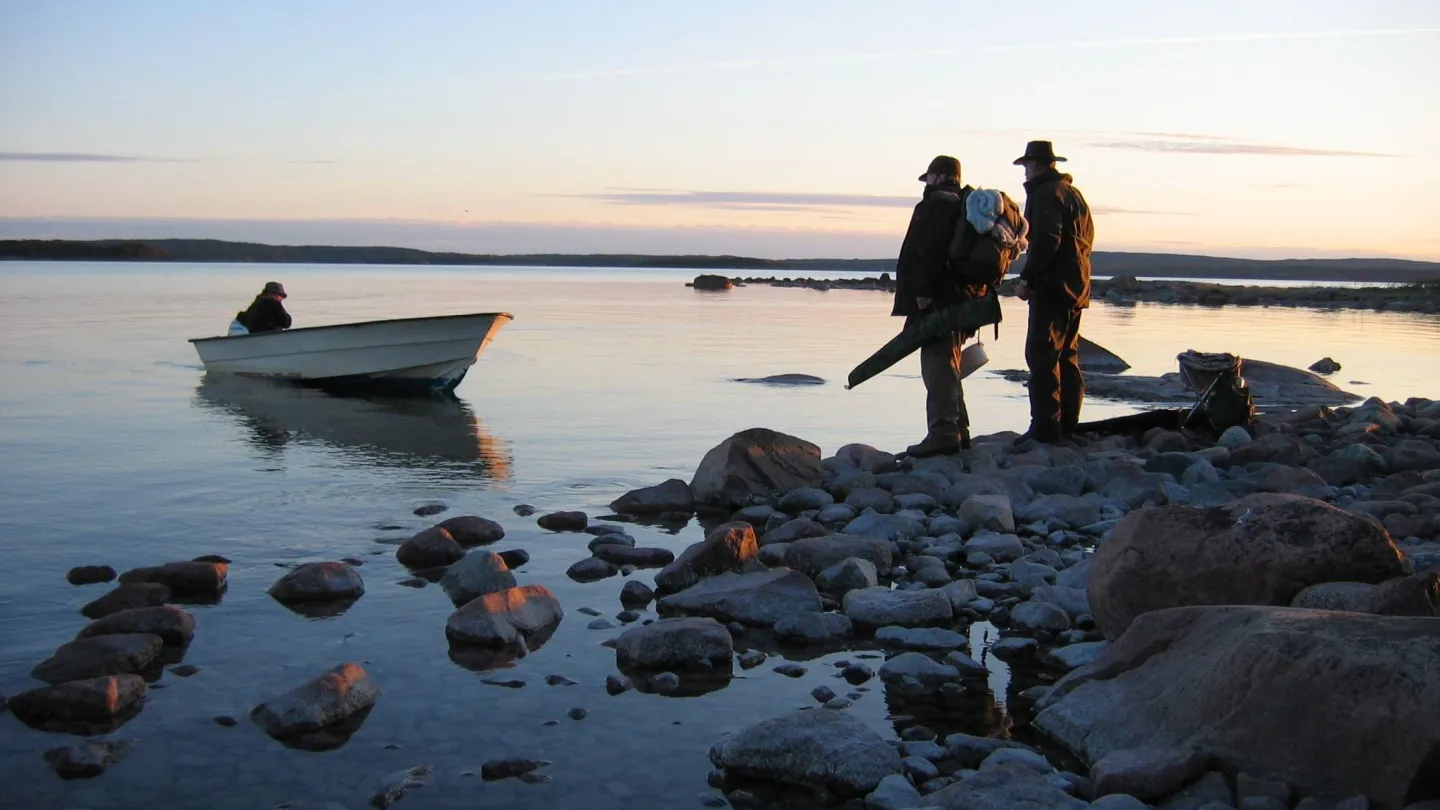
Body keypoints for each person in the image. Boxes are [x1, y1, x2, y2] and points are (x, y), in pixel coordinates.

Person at [891, 155, 974, 457]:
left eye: (928, 178)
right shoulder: (961, 206)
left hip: (937, 300)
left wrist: (923, 292)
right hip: (960, 300)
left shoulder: (936, 205)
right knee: (949, 365)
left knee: (938, 368)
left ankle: (942, 434)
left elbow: (927, 251)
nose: (926, 184)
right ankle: (959, 431)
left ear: (938, 177)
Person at [1012, 140, 1094, 444]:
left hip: (1053, 286)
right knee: (1067, 357)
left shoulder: (1046, 193)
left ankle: (1045, 428)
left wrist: (1027, 278)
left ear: (1037, 165)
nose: (1025, 172)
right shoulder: (1073, 194)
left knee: (1042, 354)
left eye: (1027, 166)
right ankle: (1067, 426)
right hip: (1077, 286)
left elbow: (1047, 240)